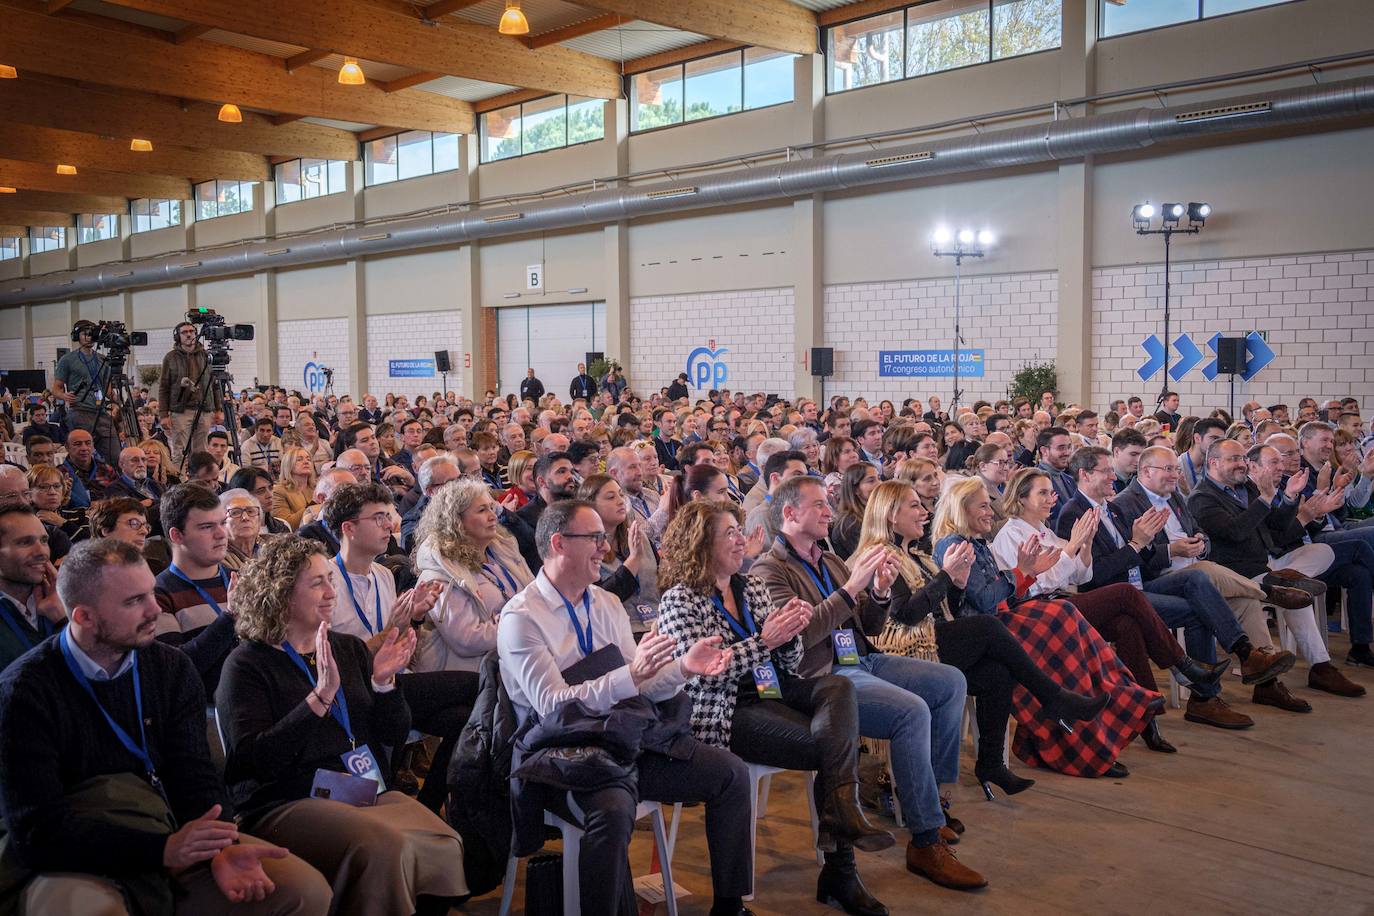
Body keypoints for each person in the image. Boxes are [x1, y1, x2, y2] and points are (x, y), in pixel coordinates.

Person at [0, 538, 333, 916]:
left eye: (150, 594)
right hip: (79, 851)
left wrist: (220, 847)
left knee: (303, 891)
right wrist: (163, 851)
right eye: (133, 602)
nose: (154, 609)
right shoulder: (25, 691)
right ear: (83, 617)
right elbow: (38, 834)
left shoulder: (169, 668)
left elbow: (194, 776)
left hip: (169, 829)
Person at [497, 498, 753, 916]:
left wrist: (683, 667)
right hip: (564, 754)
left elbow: (642, 684)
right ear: (560, 543)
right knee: (614, 813)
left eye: (604, 537)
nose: (606, 547)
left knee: (730, 773)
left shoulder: (605, 604)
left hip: (622, 737)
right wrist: (629, 676)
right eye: (595, 538)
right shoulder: (521, 617)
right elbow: (552, 706)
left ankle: (730, 905)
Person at [657, 500, 895, 916]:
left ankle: (843, 830)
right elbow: (703, 675)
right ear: (700, 543)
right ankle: (841, 864)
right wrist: (764, 642)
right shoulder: (681, 600)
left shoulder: (748, 587)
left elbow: (786, 662)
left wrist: (790, 634)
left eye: (738, 529)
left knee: (838, 686)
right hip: (725, 707)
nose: (740, 539)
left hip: (773, 688)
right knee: (833, 747)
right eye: (728, 532)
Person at [753, 476, 986, 891]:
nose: (829, 511)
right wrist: (851, 588)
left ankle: (930, 798)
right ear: (790, 514)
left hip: (863, 659)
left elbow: (872, 626)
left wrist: (877, 593)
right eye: (819, 505)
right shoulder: (770, 570)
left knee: (950, 681)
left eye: (828, 503)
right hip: (823, 676)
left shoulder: (829, 560)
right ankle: (925, 839)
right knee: (910, 711)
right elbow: (799, 638)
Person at [215, 536, 468, 916]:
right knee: (383, 846)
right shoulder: (248, 664)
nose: (331, 591)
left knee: (444, 840)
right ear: (281, 592)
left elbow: (391, 734)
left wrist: (384, 685)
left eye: (331, 579)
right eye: (317, 583)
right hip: (285, 798)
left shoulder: (346, 648)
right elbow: (253, 762)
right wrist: (318, 700)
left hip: (355, 788)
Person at [853, 482, 1106, 797]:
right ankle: (1053, 697)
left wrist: (955, 585)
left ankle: (990, 762)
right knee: (989, 626)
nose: (925, 512)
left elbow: (948, 611)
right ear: (891, 515)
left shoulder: (917, 555)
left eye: (922, 505)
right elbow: (905, 616)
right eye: (915, 506)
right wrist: (948, 577)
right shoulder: (881, 556)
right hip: (902, 652)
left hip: (929, 639)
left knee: (996, 674)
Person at [932, 477, 1156, 779]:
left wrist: (1070, 551)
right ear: (962, 509)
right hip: (983, 631)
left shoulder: (979, 543)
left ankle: (1115, 703)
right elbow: (986, 600)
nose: (991, 512)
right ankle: (1084, 708)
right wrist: (1023, 572)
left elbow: (1051, 581)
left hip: (1000, 621)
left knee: (1091, 621)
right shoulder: (958, 543)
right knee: (1067, 614)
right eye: (983, 505)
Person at [1112, 445, 1312, 712]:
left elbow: (1200, 532)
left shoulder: (1174, 496)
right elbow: (1132, 560)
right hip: (1158, 580)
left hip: (1197, 571)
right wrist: (1172, 551)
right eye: (1168, 469)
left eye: (1176, 468)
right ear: (1146, 471)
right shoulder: (1126, 503)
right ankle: (1266, 591)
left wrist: (1200, 543)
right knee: (1202, 574)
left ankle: (1266, 681)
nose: (1175, 475)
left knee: (1244, 600)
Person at [1189, 439, 1365, 697]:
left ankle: (1283, 584)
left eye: (1242, 458)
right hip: (1238, 574)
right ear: (1214, 463)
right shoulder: (1202, 497)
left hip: (1268, 566)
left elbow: (1278, 530)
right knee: (1296, 598)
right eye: (1234, 459)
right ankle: (1321, 666)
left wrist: (1291, 497)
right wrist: (1266, 498)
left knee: (1323, 551)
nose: (1241, 464)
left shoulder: (1245, 487)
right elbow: (1235, 532)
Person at [154, 483, 239, 696]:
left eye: (222, 523)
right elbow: (176, 668)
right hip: (204, 713)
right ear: (176, 535)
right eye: (206, 527)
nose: (222, 534)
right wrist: (229, 618)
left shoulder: (241, 580)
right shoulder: (156, 594)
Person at [577, 473, 660, 629]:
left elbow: (661, 579)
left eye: (621, 495)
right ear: (590, 505)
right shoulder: (585, 547)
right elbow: (599, 600)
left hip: (658, 622)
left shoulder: (638, 536)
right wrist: (633, 560)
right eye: (610, 497)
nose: (620, 501)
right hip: (618, 629)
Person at [0, 505, 65, 672]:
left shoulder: (68, 600)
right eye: (25, 542)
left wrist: (63, 621)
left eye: (44, 541)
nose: (41, 552)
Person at [51, 320, 120, 464]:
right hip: (80, 411)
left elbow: (107, 390)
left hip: (101, 412)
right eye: (85, 334)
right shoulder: (67, 360)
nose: (89, 337)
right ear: (77, 336)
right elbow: (56, 388)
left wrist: (116, 399)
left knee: (115, 457)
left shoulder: (102, 359)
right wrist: (64, 396)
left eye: (92, 334)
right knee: (83, 457)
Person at [159, 321, 220, 467]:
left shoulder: (206, 356)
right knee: (180, 451)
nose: (188, 334)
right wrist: (163, 414)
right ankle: (179, 483)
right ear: (177, 336)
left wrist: (218, 409)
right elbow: (164, 387)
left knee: (201, 451)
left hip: (204, 409)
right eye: (184, 332)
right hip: (180, 410)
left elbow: (215, 384)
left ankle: (199, 483)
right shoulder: (170, 357)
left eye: (191, 331)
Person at [90, 496, 169, 574]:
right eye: (134, 523)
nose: (145, 531)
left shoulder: (153, 567)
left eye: (146, 526)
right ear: (106, 531)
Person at [829, 462, 880, 559]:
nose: (879, 484)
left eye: (879, 478)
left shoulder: (875, 514)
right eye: (871, 481)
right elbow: (870, 559)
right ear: (856, 489)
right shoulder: (849, 524)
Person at [60, 428, 119, 509]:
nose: (84, 448)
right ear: (67, 447)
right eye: (77, 444)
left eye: (88, 443)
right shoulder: (60, 473)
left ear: (93, 446)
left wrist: (103, 504)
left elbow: (121, 494)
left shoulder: (106, 469)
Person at [272, 446, 318, 530]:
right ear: (288, 465)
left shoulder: (318, 487)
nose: (306, 462)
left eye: (308, 459)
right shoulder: (279, 491)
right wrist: (313, 504)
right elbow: (284, 525)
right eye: (299, 459)